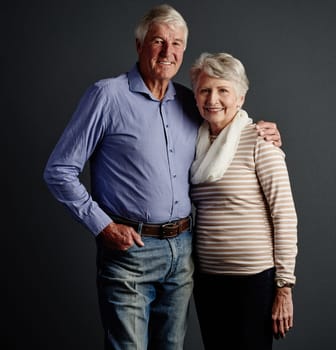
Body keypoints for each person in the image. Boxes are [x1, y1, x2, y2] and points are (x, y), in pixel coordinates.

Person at [43, 4, 282, 350]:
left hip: (183, 252)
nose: (168, 52)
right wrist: (103, 226)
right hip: (129, 252)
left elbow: (226, 128)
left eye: (177, 43)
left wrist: (262, 131)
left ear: (184, 49)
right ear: (139, 45)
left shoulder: (189, 102)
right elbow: (59, 170)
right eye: (158, 41)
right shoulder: (107, 96)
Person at [189, 52, 298, 350]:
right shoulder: (193, 144)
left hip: (253, 282)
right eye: (205, 90)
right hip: (208, 281)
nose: (213, 99)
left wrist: (284, 287)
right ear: (196, 97)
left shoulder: (260, 141)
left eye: (223, 90)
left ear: (240, 98)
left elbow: (284, 215)